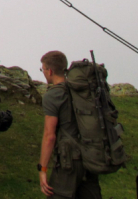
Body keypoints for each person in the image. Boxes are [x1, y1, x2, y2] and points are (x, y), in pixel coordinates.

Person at [38, 50, 101, 198]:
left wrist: (42, 169)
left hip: (69, 161)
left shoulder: (53, 95)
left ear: (50, 71)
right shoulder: (82, 91)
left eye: (43, 69)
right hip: (90, 156)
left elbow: (49, 136)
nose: (43, 73)